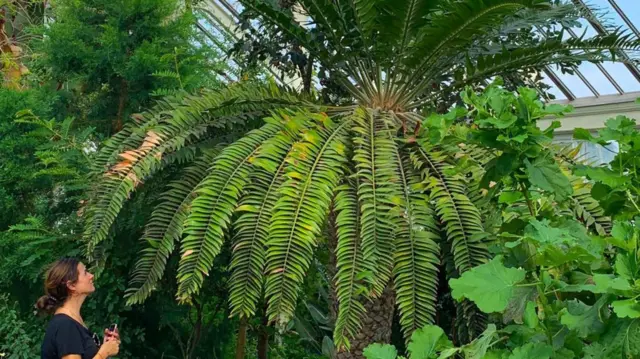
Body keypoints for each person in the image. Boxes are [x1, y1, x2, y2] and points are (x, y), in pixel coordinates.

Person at [36, 257, 120, 359]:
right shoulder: (65, 325)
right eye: (85, 273)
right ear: (71, 285)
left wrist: (105, 347)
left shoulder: (73, 321)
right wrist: (104, 353)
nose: (91, 276)